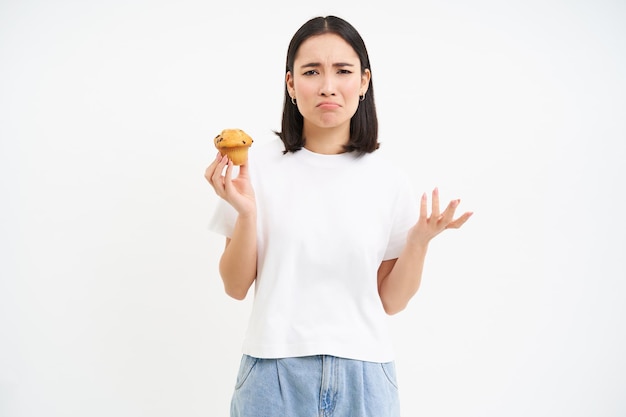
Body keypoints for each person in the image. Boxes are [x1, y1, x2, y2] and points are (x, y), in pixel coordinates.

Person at [204, 15, 472, 417]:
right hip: (272, 373)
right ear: (291, 84)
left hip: (364, 376)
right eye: (311, 71)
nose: (327, 85)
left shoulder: (388, 180)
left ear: (363, 82)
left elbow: (392, 301)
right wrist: (245, 215)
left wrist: (418, 242)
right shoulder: (253, 170)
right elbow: (235, 286)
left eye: (342, 71)